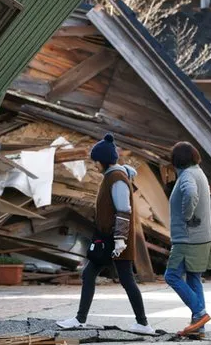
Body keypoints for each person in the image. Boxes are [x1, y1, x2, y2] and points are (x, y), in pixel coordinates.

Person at [57, 134, 155, 336]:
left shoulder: (117, 179)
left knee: (126, 279)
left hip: (116, 240)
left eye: (95, 161)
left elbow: (123, 210)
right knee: (91, 274)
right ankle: (81, 319)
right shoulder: (112, 176)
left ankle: (143, 323)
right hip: (108, 238)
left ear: (102, 161)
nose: (94, 165)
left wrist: (119, 239)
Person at [165, 141, 211, 337]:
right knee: (194, 278)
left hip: (188, 238)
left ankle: (200, 313)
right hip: (203, 236)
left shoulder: (187, 176)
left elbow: (190, 193)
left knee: (172, 276)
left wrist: (186, 216)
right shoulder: (199, 172)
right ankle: (198, 327)